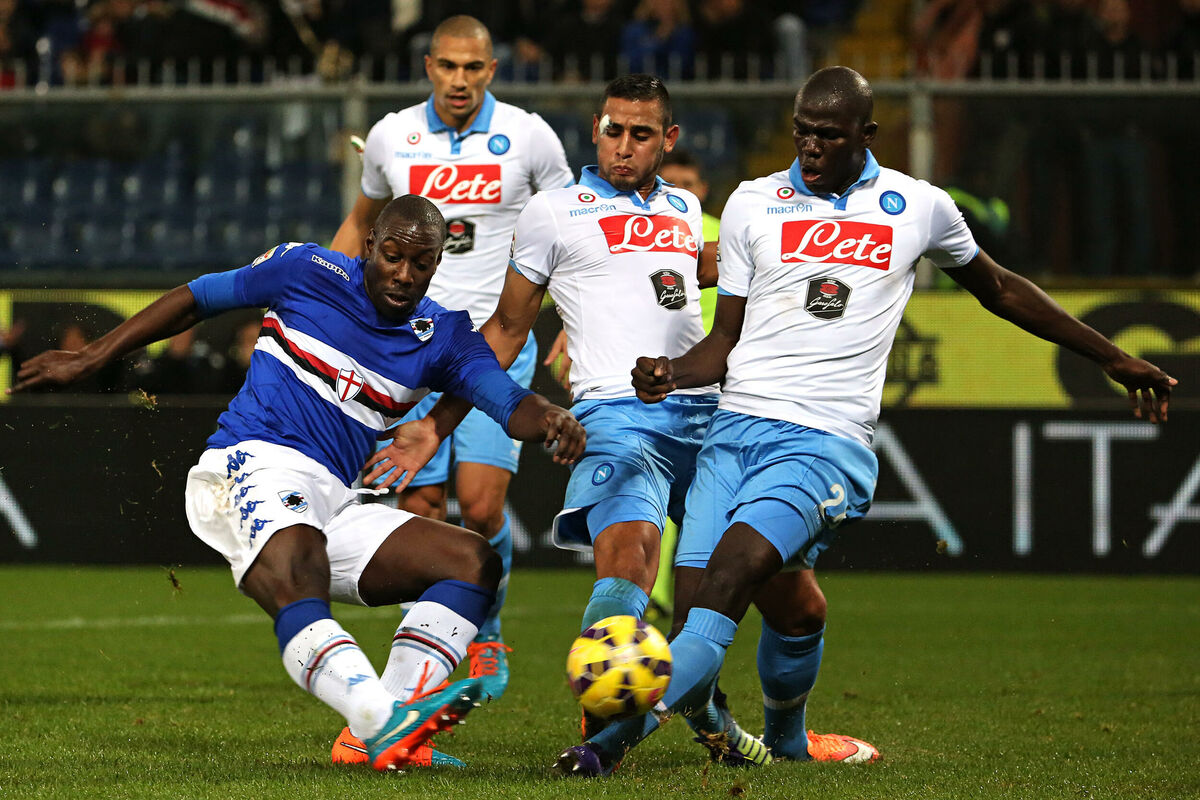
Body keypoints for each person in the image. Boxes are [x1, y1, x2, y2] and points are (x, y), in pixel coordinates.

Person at [557, 65, 1178, 777]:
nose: (810, 146)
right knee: (763, 609)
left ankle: (602, 749)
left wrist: (1112, 356)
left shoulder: (918, 206)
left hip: (823, 442)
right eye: (802, 132)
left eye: (827, 134)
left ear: (866, 134)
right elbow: (723, 342)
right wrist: (672, 374)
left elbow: (1002, 289)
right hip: (731, 435)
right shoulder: (753, 203)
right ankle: (788, 742)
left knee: (729, 580)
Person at [9, 195, 586, 772]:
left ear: (437, 264)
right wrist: (92, 358)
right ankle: (379, 717)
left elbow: (509, 401)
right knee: (300, 561)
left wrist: (552, 419)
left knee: (471, 563)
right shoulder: (306, 270)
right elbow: (197, 298)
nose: (404, 274)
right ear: (369, 247)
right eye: (392, 256)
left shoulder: (443, 335)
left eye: (420, 263)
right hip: (250, 465)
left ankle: (378, 736)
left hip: (334, 498)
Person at [385, 74, 769, 765]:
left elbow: (687, 278)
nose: (624, 146)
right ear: (596, 130)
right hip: (617, 418)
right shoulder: (553, 212)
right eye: (613, 130)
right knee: (626, 564)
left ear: (668, 140)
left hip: (708, 418)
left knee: (714, 600)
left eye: (642, 134)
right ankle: (603, 742)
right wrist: (437, 424)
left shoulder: (685, 208)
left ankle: (718, 721)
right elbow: (504, 331)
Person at [330, 15, 573, 707]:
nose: (459, 80)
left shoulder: (530, 137)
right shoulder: (391, 136)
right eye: (448, 66)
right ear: (429, 66)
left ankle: (486, 629)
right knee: (421, 504)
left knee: (482, 504)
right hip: (409, 347)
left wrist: (572, 322)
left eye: (473, 68)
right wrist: (327, 298)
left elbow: (570, 229)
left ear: (491, 70)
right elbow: (361, 222)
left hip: (497, 344)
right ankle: (425, 661)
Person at [646, 147, 721, 621]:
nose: (681, 192)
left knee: (697, 499)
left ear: (703, 189)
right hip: (660, 378)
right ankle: (661, 595)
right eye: (671, 184)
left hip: (718, 383)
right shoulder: (651, 232)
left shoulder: (720, 234)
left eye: (688, 184)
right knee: (665, 491)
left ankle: (677, 600)